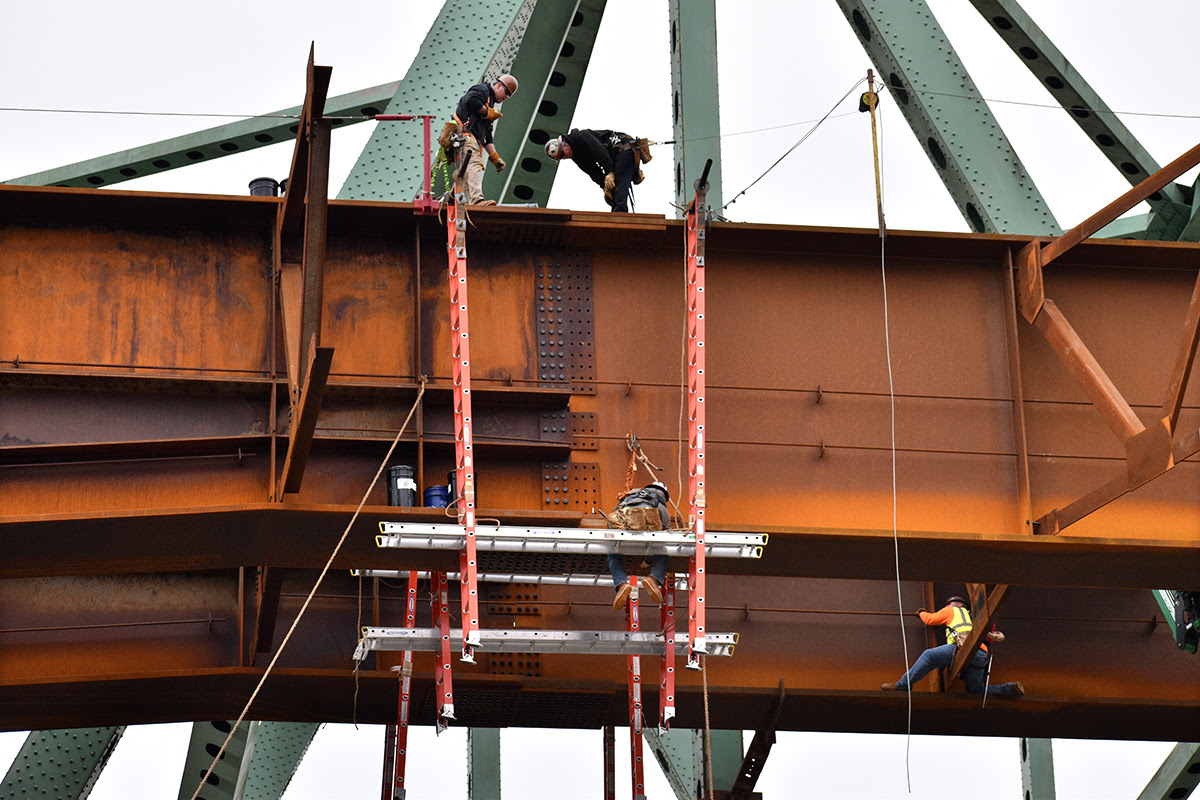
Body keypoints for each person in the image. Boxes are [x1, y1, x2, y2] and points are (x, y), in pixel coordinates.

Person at [881, 596, 1024, 696]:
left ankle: (902, 685)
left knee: (929, 656)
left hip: (962, 649)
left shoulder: (953, 610)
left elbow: (930, 619)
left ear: (959, 604)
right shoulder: (972, 618)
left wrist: (921, 612)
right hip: (981, 655)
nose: (946, 607)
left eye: (949, 604)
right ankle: (1009, 689)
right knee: (976, 691)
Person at [444, 74, 518, 205]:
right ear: (499, 85)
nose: (506, 97)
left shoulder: (490, 105)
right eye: (506, 92)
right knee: (473, 164)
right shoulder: (484, 90)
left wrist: (495, 157)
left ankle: (454, 198)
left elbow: (487, 138)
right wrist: (487, 112)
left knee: (465, 174)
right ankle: (477, 200)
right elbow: (470, 99)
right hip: (463, 135)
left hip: (466, 140)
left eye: (509, 96)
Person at [544, 129, 651, 212]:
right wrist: (605, 187)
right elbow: (593, 172)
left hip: (624, 148)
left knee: (619, 185)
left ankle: (620, 217)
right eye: (560, 158)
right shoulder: (577, 157)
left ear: (565, 144)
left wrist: (609, 172)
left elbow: (600, 152)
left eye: (562, 154)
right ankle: (618, 214)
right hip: (615, 158)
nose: (564, 158)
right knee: (614, 192)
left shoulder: (582, 136)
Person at [605, 481, 671, 610]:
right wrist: (647, 560)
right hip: (648, 542)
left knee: (613, 555)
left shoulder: (628, 497)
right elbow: (666, 534)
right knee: (665, 551)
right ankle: (653, 579)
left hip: (624, 538)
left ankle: (621, 584)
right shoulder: (660, 505)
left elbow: (612, 519)